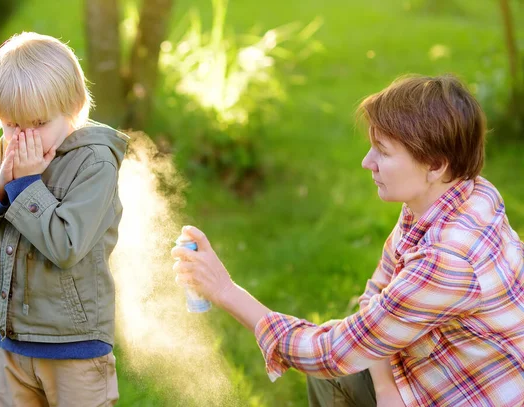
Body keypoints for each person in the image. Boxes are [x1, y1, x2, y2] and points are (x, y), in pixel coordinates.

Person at [172, 75, 524, 407]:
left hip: (481, 393)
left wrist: (224, 290)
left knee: (332, 370)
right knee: (337, 375)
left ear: (435, 165)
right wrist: (386, 390)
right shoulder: (457, 194)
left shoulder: (447, 259)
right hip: (450, 366)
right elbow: (377, 294)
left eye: (383, 152)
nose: (366, 162)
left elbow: (330, 352)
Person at [0, 32, 128, 406]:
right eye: (10, 125)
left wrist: (27, 183)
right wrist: (2, 182)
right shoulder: (12, 148)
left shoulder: (95, 162)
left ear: (72, 107)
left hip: (73, 345)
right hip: (13, 339)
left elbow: (66, 246)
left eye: (36, 123)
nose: (23, 137)